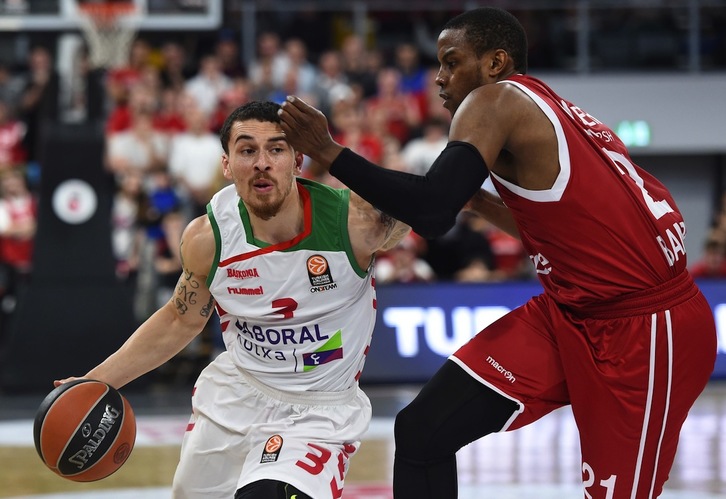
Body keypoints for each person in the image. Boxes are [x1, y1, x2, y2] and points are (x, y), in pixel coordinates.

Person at [278, 7, 717, 498]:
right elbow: (553, 226)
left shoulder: (492, 100)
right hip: (573, 310)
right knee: (423, 430)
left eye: (450, 62)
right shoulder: (543, 104)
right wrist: (478, 200)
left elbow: (431, 213)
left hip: (645, 327)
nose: (438, 79)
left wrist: (328, 151)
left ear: (495, 63)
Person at [55, 100, 410, 499]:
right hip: (237, 397)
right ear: (226, 165)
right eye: (247, 150)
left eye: (276, 149)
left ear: (297, 161)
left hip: (318, 410)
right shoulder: (209, 238)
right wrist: (96, 382)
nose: (262, 162)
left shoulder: (356, 224)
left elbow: (428, 204)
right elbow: (180, 319)